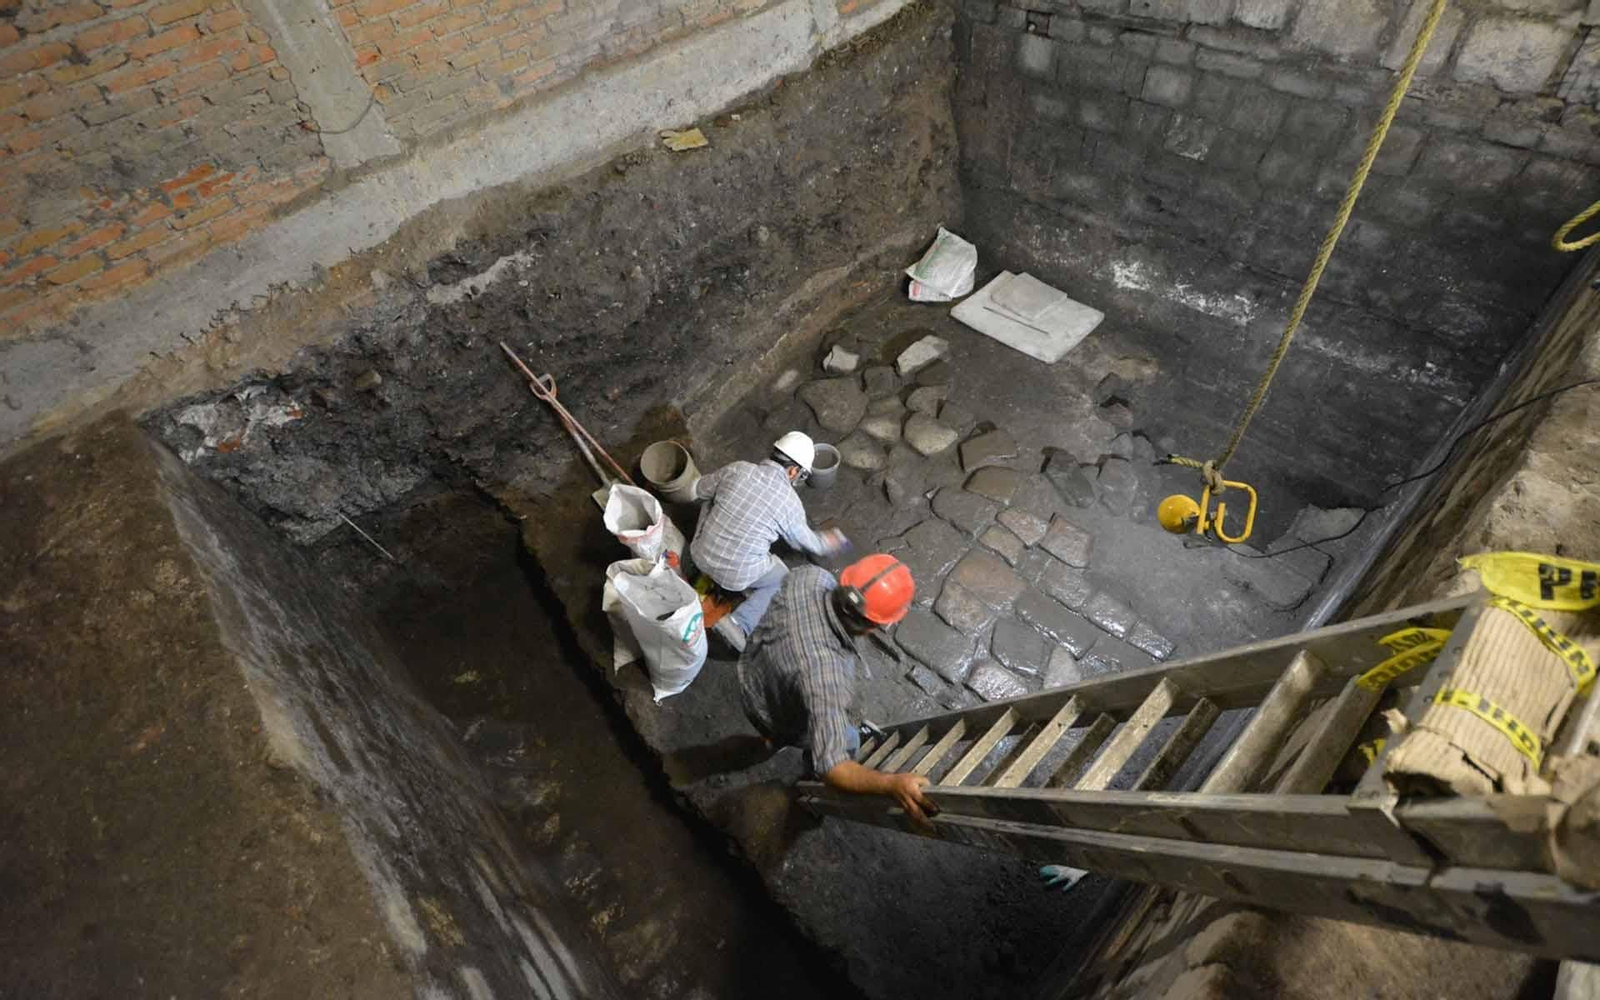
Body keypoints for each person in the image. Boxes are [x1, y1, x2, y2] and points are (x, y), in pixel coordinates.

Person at [738, 553, 937, 824]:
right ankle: (803, 772)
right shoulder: (828, 678)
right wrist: (891, 784)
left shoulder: (809, 577)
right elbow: (834, 766)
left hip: (752, 673)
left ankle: (765, 743)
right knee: (849, 740)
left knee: (790, 726)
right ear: (873, 627)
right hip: (777, 713)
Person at [689, 431, 848, 652]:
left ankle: (702, 583)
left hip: (699, 552)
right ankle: (739, 624)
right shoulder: (789, 503)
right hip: (735, 577)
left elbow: (698, 489)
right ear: (793, 471)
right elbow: (807, 543)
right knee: (782, 578)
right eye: (800, 474)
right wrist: (832, 540)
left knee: (710, 501)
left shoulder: (738, 468)